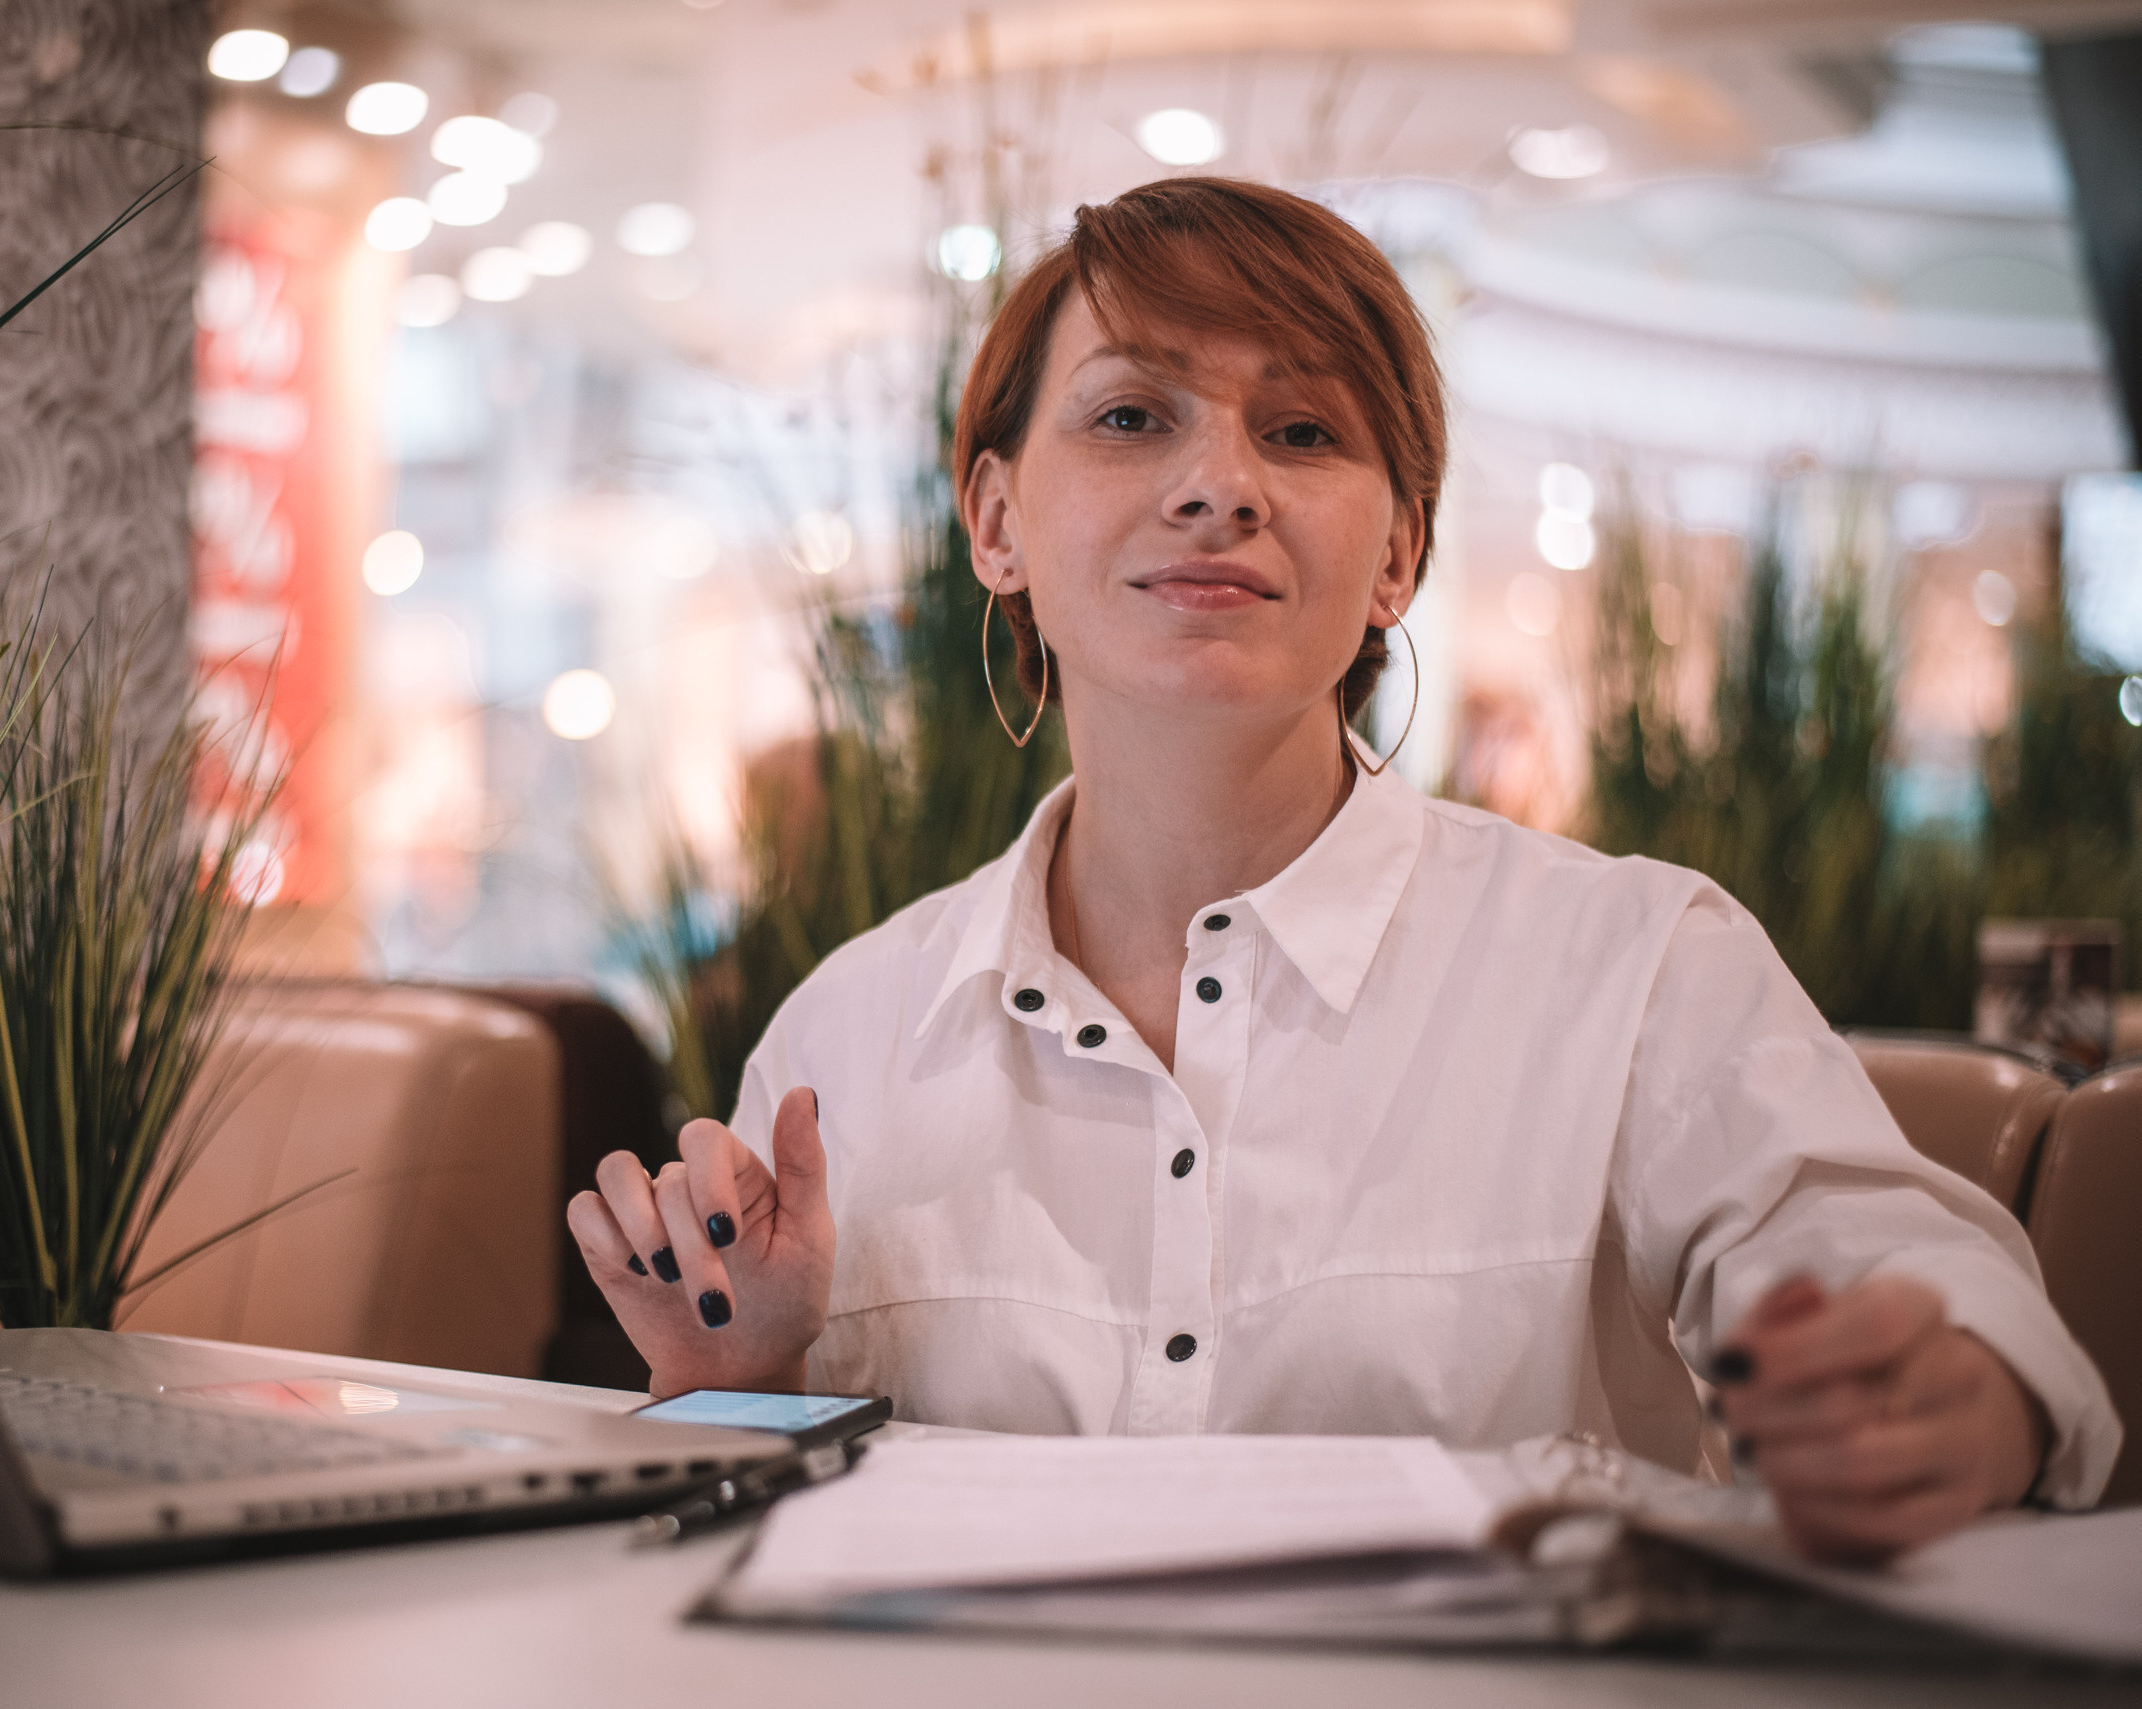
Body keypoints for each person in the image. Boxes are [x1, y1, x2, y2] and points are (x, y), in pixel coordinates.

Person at [566, 178, 2120, 1562]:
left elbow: (1902, 1273)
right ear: (994, 522)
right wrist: (742, 1386)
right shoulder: (847, 1036)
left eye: (1302, 431)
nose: (1220, 484)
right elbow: (758, 1547)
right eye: (1132, 416)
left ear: (1396, 557)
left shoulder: (1634, 963)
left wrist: (1947, 1391)